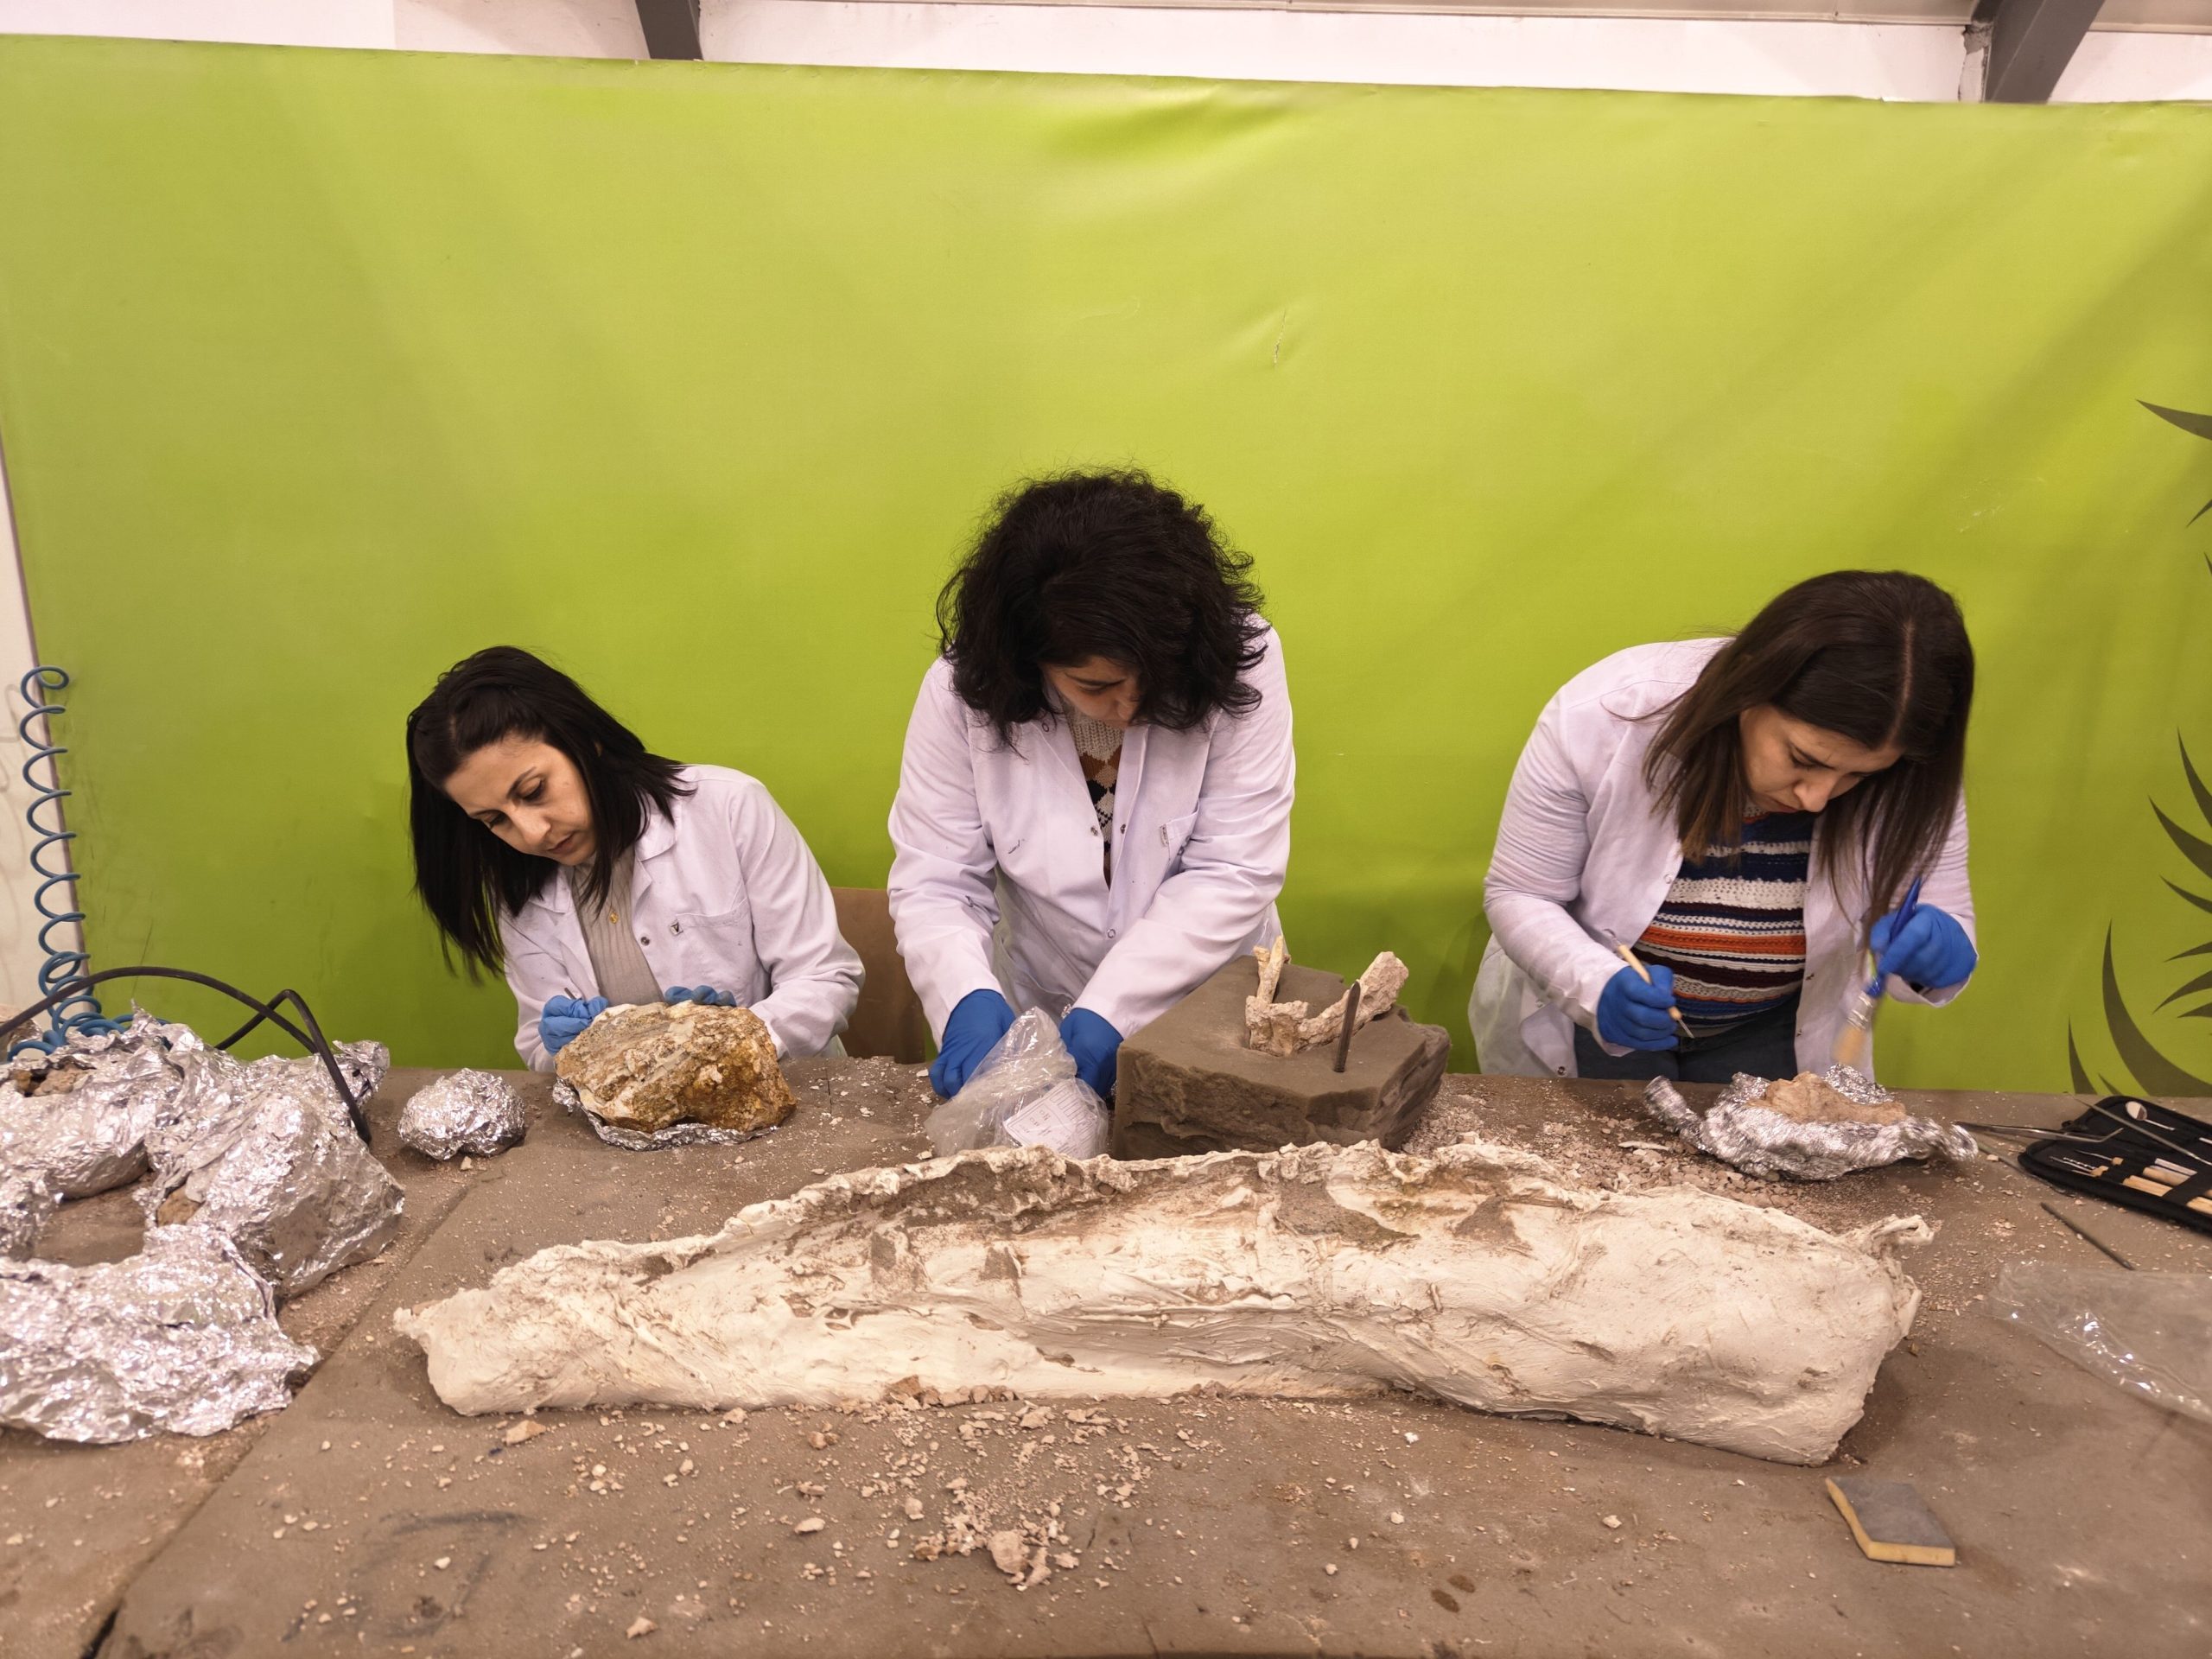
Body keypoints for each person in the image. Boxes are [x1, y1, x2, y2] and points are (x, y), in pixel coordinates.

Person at [1471, 570, 1976, 1083]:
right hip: (1602, 1021)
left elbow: (1943, 908)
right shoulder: (1605, 715)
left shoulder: (1913, 774)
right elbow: (1521, 892)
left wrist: (1940, 949)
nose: (1817, 797)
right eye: (1803, 759)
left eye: (1859, 776)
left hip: (1774, 1028)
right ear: (1748, 686)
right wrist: (1594, 985)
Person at [889, 469, 1296, 1100]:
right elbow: (938, 879)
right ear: (1028, 660)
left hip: (1210, 1003)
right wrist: (965, 994)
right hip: (1045, 995)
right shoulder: (962, 694)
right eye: (1096, 686)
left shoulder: (1240, 659)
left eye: (1153, 677)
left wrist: (1114, 1007)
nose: (1130, 707)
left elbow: (1233, 868)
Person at [407, 646, 861, 1070]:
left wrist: (734, 1040)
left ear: (585, 739)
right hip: (634, 1115)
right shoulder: (519, 885)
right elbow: (537, 1040)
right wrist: (563, 1048)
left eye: (533, 791)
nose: (531, 833)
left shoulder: (728, 808)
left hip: (786, 1089)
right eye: (494, 820)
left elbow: (824, 979)